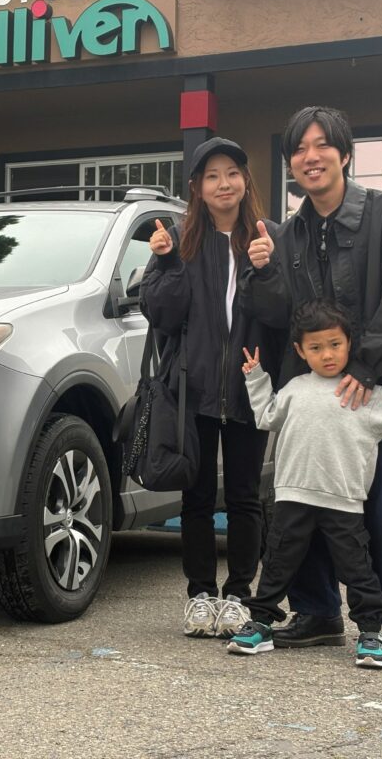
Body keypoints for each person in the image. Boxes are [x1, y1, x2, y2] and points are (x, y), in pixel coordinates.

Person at [243, 106, 382, 665]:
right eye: (299, 149)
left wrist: (365, 366)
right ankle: (316, 612)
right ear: (291, 163)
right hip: (317, 394)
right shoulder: (288, 234)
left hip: (380, 385)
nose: (310, 157)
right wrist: (262, 271)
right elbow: (279, 314)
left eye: (321, 146)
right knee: (303, 499)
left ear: (345, 154)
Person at [226, 299, 382, 668]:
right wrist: (256, 378)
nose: (327, 355)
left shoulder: (365, 394)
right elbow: (266, 416)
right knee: (278, 562)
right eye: (315, 347)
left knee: (357, 568)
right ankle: (259, 624)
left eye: (335, 345)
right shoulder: (295, 388)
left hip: (344, 502)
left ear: (350, 344)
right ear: (300, 350)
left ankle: (371, 633)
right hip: (292, 498)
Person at [141, 137, 281, 638]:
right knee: (196, 499)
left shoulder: (270, 237)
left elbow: (282, 313)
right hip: (192, 389)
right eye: (212, 176)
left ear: (246, 182)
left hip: (250, 386)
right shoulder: (178, 239)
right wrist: (167, 262)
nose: (224, 184)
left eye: (232, 173)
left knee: (244, 497)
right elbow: (161, 315)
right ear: (197, 188)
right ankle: (200, 593)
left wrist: (267, 270)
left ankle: (240, 593)